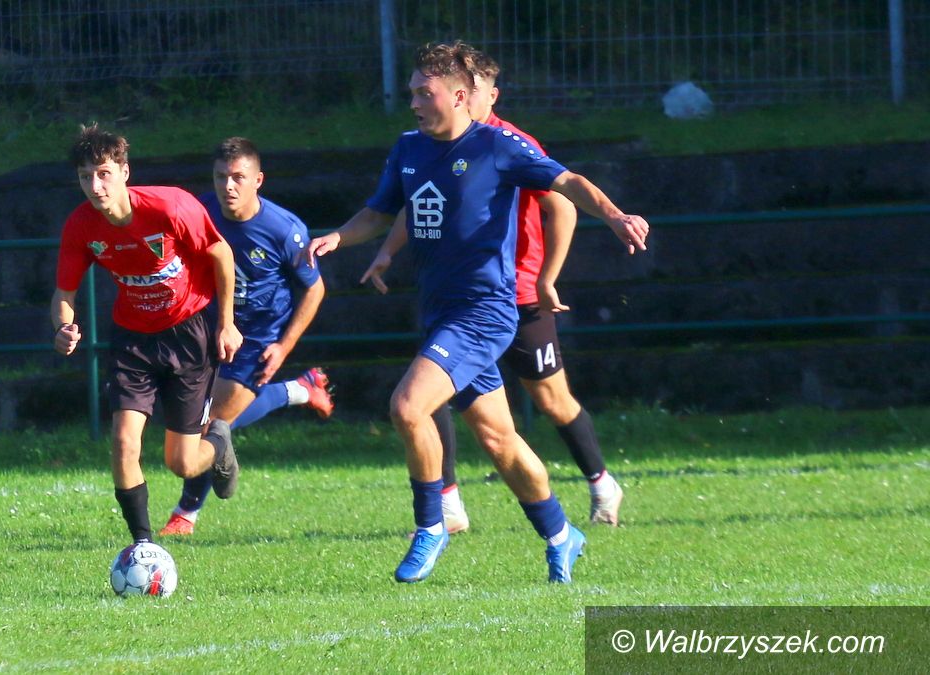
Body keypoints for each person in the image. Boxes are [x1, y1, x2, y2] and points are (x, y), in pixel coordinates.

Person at [307, 41, 649, 584]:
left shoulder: (498, 145)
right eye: (412, 92)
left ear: (460, 96)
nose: (414, 102)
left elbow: (566, 184)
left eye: (425, 92)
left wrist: (614, 215)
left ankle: (430, 526)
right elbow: (379, 212)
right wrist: (339, 238)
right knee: (499, 440)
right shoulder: (408, 148)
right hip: (439, 312)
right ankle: (562, 534)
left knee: (407, 407)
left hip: (484, 312)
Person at [361, 48, 626, 531]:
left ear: (478, 95)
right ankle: (454, 507)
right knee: (442, 400)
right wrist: (387, 250)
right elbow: (420, 201)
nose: (419, 102)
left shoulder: (506, 144)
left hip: (515, 294)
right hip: (454, 298)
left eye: (478, 90)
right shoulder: (426, 145)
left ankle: (599, 482)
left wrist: (548, 277)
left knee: (549, 400)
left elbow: (563, 202)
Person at [51, 124, 243, 547]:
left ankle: (218, 441)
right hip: (133, 341)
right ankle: (142, 546)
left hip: (188, 335)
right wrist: (63, 327)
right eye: (85, 176)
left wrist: (227, 323)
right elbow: (64, 294)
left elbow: (221, 253)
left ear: (124, 172)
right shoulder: (81, 226)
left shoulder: (170, 207)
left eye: (103, 173)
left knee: (182, 463)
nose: (95, 186)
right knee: (123, 443)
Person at [159, 136, 333, 536]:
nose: (228, 186)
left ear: (258, 180)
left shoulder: (283, 230)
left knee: (212, 426)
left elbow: (315, 289)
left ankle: (186, 513)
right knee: (203, 422)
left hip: (258, 338)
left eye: (238, 177)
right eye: (221, 176)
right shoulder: (199, 212)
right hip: (207, 329)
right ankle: (301, 389)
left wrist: (283, 346)